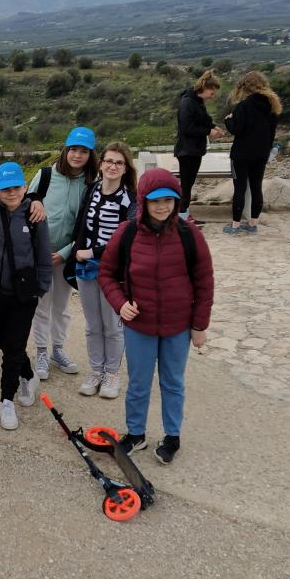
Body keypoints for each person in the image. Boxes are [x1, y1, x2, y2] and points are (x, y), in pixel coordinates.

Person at [97, 168, 214, 465]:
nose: (162, 206)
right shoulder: (128, 233)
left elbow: (204, 281)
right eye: (155, 200)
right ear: (143, 201)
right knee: (138, 382)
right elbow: (107, 274)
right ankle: (136, 433)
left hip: (177, 326)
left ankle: (172, 436)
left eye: (169, 200)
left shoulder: (190, 234)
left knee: (173, 382)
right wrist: (120, 303)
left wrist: (199, 326)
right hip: (140, 326)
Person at [0, 162, 53, 430]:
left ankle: (6, 399)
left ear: (24, 187)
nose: (11, 194)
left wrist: (40, 289)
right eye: (4, 189)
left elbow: (44, 256)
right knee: (3, 340)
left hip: (24, 293)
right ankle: (28, 373)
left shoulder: (35, 217)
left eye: (16, 188)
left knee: (12, 347)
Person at [67, 142, 138, 400]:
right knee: (92, 324)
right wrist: (76, 251)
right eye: (108, 161)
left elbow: (128, 237)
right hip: (86, 269)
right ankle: (95, 371)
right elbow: (81, 225)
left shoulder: (130, 198)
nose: (112, 166)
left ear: (125, 168)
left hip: (113, 271)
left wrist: (93, 252)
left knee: (112, 325)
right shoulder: (92, 190)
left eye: (118, 163)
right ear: (101, 163)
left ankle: (111, 374)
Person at [28, 126, 98, 381]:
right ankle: (42, 352)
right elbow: (29, 202)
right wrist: (34, 200)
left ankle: (58, 349)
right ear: (65, 150)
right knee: (42, 305)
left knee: (62, 305)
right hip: (41, 253)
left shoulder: (92, 184)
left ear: (91, 154)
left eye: (83, 151)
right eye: (74, 150)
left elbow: (87, 224)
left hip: (68, 255)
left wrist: (67, 252)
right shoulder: (46, 175)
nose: (77, 155)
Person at [223, 71, 282, 235]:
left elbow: (236, 129)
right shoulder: (272, 106)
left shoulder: (244, 106)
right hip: (261, 154)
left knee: (239, 189)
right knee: (256, 188)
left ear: (246, 87)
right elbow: (272, 133)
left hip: (241, 155)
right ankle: (253, 224)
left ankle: (235, 226)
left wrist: (228, 120)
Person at [174, 70, 225, 225]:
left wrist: (214, 127)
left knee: (188, 186)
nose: (212, 96)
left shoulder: (197, 101)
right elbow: (186, 128)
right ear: (204, 88)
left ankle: (185, 216)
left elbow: (204, 120)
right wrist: (208, 132)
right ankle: (182, 219)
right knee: (186, 187)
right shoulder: (187, 102)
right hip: (187, 151)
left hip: (194, 150)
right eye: (212, 92)